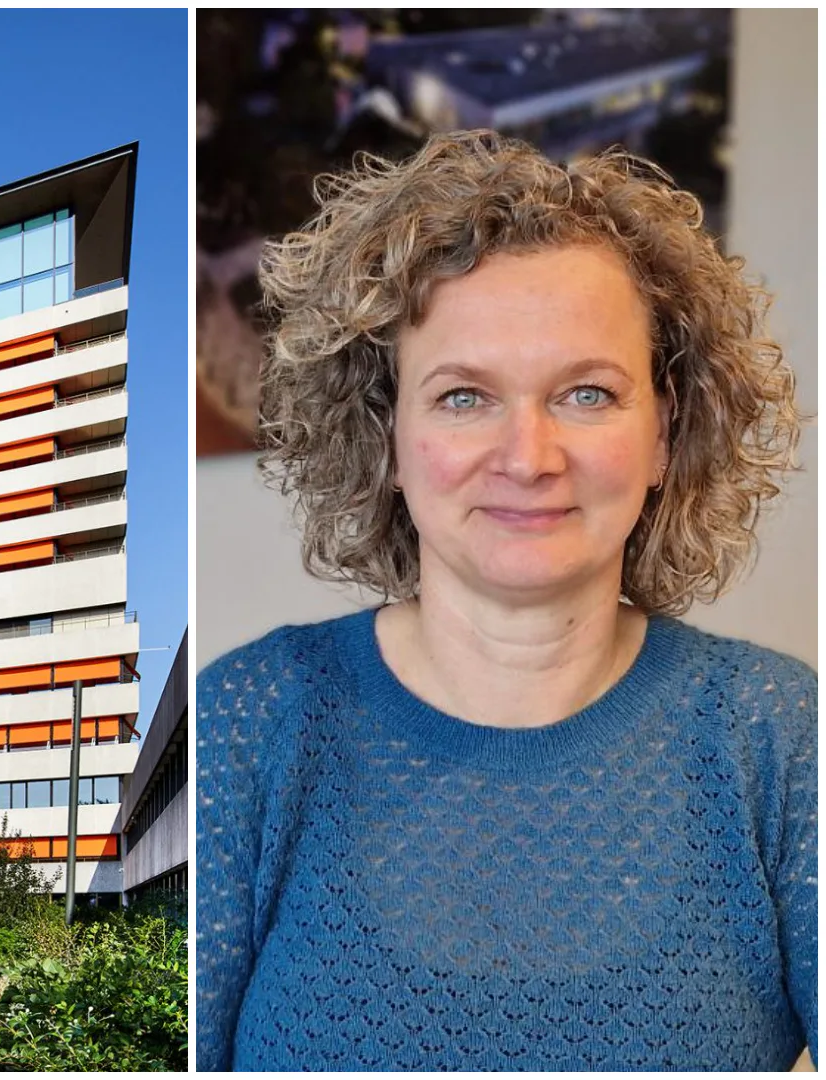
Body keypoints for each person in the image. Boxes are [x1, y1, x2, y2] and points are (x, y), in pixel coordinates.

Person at [196, 131, 816, 1071]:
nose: (528, 457)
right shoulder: (244, 722)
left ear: (666, 432)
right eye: (462, 398)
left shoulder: (781, 735)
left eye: (588, 393)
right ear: (388, 437)